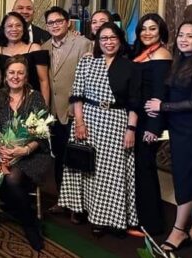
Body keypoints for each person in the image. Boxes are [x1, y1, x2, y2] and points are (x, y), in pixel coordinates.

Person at [59, 22, 140, 234]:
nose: (108, 42)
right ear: (97, 41)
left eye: (113, 38)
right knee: (84, 168)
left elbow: (134, 102)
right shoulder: (87, 63)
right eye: (104, 38)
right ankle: (81, 208)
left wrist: (131, 129)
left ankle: (104, 218)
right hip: (88, 119)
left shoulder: (130, 67)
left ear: (120, 40)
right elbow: (77, 96)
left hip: (116, 121)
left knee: (109, 172)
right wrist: (79, 122)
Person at [144, 21, 192, 251]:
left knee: (185, 179)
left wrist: (163, 107)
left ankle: (179, 230)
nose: (183, 39)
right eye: (181, 35)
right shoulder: (180, 60)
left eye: (189, 36)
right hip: (178, 128)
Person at [0, 56, 52, 251]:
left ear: (26, 76)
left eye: (20, 73)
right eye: (11, 72)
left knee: (12, 178)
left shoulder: (35, 97)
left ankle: (28, 225)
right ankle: (27, 215)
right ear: (5, 76)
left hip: (30, 154)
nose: (15, 76)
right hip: (2, 151)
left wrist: (24, 149)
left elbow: (43, 132)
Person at [41, 6, 92, 209]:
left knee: (78, 158)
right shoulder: (44, 47)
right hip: (53, 112)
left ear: (68, 22)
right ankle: (62, 200)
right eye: (51, 22)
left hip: (75, 111)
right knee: (60, 156)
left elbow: (90, 80)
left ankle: (80, 204)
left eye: (58, 21)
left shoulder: (83, 43)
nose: (55, 25)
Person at [129, 13, 172, 235]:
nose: (147, 32)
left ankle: (152, 225)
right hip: (137, 118)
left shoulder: (162, 54)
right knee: (138, 169)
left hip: (149, 122)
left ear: (161, 31)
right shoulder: (141, 52)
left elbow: (160, 94)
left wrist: (154, 128)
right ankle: (139, 217)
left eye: (152, 28)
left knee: (145, 171)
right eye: (143, 28)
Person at [0, 12, 51, 105]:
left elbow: (44, 81)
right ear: (3, 29)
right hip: (6, 102)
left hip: (32, 101)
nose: (14, 29)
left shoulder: (34, 48)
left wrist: (44, 109)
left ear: (24, 29)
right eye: (10, 26)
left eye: (18, 25)